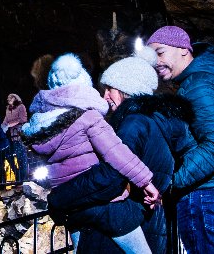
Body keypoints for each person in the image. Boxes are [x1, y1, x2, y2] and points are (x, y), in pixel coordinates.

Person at [23, 53, 160, 254]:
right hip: (105, 204)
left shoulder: (43, 126)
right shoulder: (88, 117)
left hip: (74, 209)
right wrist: (146, 182)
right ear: (83, 87)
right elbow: (117, 153)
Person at [78, 49, 194, 254]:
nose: (105, 96)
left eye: (110, 89)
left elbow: (113, 175)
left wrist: (64, 198)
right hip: (150, 221)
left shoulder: (133, 124)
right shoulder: (156, 122)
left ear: (126, 89)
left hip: (129, 221)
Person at [148, 26, 214, 254]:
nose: (156, 62)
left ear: (184, 49)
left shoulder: (198, 85)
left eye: (160, 52)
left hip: (208, 193)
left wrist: (172, 181)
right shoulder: (207, 80)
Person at [2, 93, 30, 180]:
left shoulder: (21, 106)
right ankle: (20, 177)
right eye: (8, 98)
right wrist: (2, 127)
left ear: (15, 98)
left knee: (22, 158)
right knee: (16, 157)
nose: (9, 99)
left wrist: (10, 124)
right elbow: (5, 121)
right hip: (13, 136)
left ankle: (24, 178)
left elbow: (23, 119)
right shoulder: (8, 109)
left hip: (21, 134)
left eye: (11, 97)